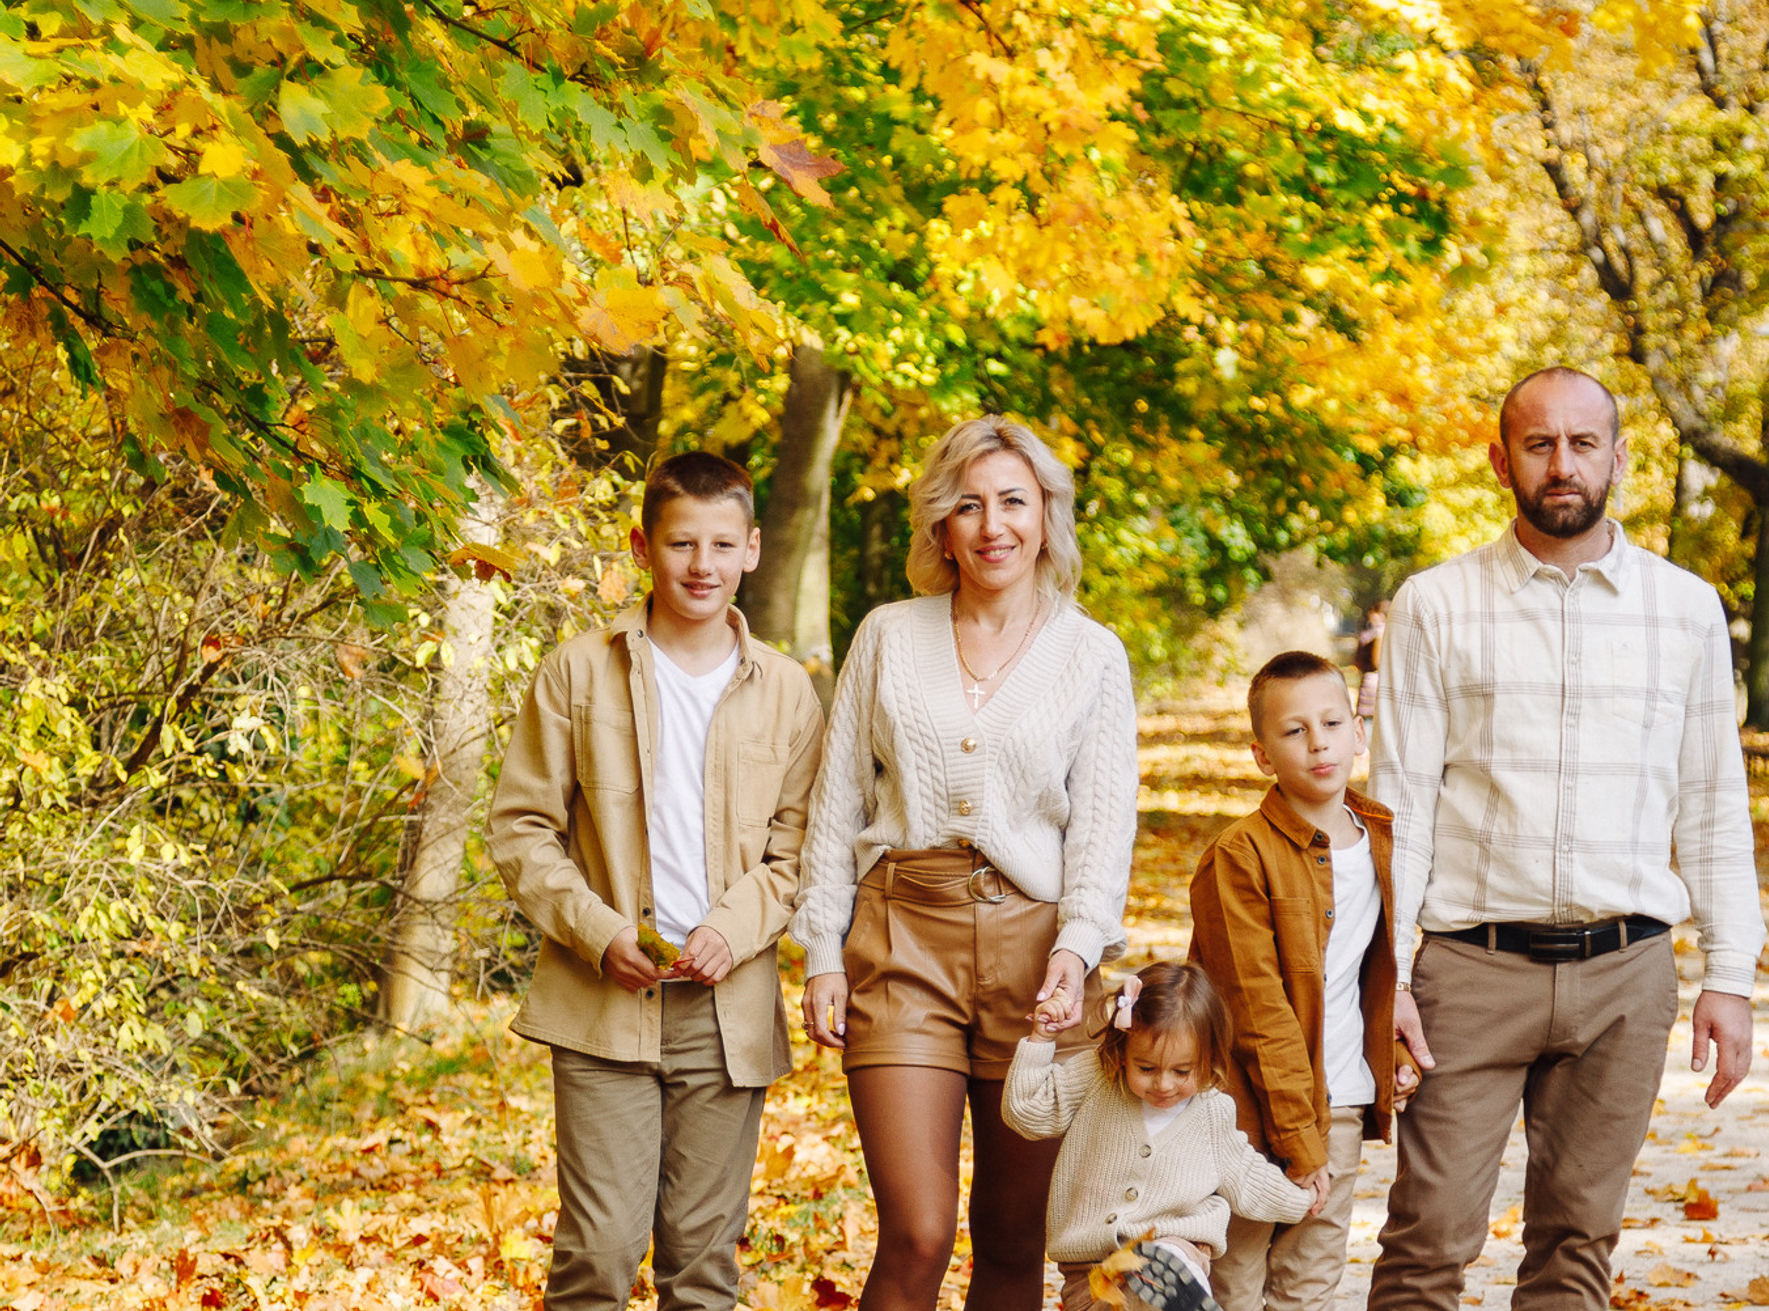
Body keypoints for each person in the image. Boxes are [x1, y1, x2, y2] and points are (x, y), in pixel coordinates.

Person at [1368, 368, 1767, 1311]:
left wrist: (1732, 976)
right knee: (1427, 1238)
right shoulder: (1435, 604)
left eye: (1583, 443)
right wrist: (1381, 975)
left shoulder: (1685, 608)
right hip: (1470, 970)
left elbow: (1713, 800)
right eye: (1540, 444)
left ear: (1618, 457)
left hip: (1627, 976)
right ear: (1501, 459)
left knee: (1577, 1246)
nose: (1562, 464)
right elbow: (1401, 805)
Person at [792, 415, 1138, 1311]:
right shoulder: (888, 636)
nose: (994, 526)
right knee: (917, 1232)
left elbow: (1102, 833)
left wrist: (1077, 952)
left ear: (1047, 515)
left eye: (1014, 502)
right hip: (902, 940)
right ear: (941, 525)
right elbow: (837, 808)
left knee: (1015, 1238)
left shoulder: (1092, 653)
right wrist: (823, 952)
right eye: (969, 505)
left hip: (1039, 962)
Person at [488, 452, 825, 1311]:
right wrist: (601, 934)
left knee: (701, 1267)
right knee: (597, 1256)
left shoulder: (787, 691)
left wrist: (736, 927)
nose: (700, 566)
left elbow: (801, 847)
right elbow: (523, 829)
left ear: (751, 548)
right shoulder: (576, 670)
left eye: (720, 545)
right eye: (680, 543)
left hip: (726, 1014)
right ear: (643, 546)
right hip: (604, 1007)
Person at [1189, 651, 1417, 1311]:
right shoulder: (1238, 856)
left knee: (1309, 1290)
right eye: (1295, 732)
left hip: (1340, 1101)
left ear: (1359, 731)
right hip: (1246, 1118)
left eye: (1333, 723)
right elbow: (1254, 1009)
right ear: (1262, 755)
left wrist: (1391, 1052)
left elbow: (1379, 971)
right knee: (1234, 1283)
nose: (1319, 743)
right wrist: (1297, 1139)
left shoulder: (1385, 838)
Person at [1003, 962, 1311, 1311]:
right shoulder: (1096, 1078)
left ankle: (1182, 1295)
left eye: (1182, 1071)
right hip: (1090, 1275)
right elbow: (1026, 1113)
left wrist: (1304, 1197)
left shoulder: (1212, 1112)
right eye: (1146, 1068)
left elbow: (1248, 1178)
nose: (1164, 1084)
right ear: (1122, 1051)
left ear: (1209, 1060)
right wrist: (1040, 1041)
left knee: (1158, 1260)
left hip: (1175, 1251)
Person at [1352, 600, 1390, 722]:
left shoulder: (1369, 636)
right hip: (1385, 683)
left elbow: (1374, 662)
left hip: (1370, 683)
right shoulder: (1394, 635)